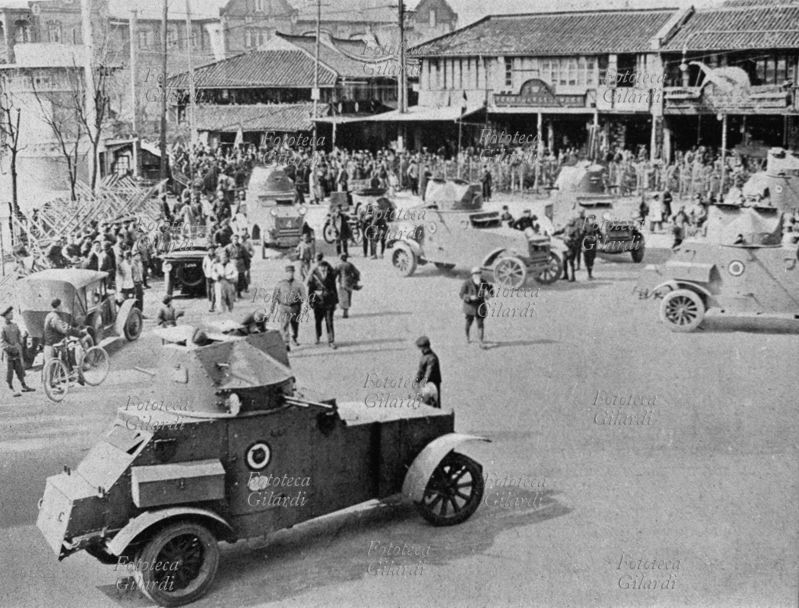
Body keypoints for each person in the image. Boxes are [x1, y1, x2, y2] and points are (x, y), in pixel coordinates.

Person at [43, 298, 85, 385]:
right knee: (69, 354)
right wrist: (79, 333)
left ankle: (56, 383)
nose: (62, 307)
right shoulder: (55, 317)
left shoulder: (49, 315)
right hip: (54, 343)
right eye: (61, 305)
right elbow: (63, 329)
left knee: (51, 367)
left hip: (48, 343)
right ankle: (71, 375)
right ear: (58, 306)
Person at [306, 253, 338, 349]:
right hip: (318, 302)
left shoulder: (330, 275)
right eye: (322, 268)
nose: (324, 269)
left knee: (329, 321)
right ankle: (318, 336)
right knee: (318, 321)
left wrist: (336, 301)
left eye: (325, 268)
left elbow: (334, 288)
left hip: (329, 302)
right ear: (319, 268)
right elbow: (310, 290)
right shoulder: (314, 276)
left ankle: (331, 340)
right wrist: (310, 301)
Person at [270, 265, 306, 349]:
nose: (290, 274)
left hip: (295, 307)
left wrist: (299, 303)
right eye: (289, 272)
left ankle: (294, 338)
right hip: (284, 307)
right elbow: (275, 296)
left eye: (292, 272)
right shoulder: (280, 284)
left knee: (295, 324)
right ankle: (286, 343)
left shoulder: (298, 284)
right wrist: (272, 307)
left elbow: (303, 295)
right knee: (284, 325)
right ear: (285, 273)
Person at [1, 307, 34, 396]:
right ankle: (10, 388)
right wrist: (11, 348)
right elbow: (2, 342)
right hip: (8, 354)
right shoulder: (2, 328)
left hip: (17, 352)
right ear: (5, 316)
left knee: (20, 370)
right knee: (9, 372)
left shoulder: (15, 325)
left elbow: (19, 336)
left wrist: (23, 338)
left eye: (12, 313)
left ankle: (24, 385)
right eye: (10, 313)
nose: (12, 314)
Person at [459, 267, 494, 348]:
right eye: (475, 273)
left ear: (480, 274)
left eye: (479, 273)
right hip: (470, 307)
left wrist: (489, 295)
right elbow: (461, 294)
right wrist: (470, 297)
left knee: (480, 324)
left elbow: (491, 290)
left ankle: (481, 342)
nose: (477, 275)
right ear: (472, 274)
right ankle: (467, 336)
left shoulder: (484, 282)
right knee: (469, 323)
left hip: (480, 306)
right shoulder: (467, 283)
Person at [414, 336, 441, 408]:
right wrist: (416, 380)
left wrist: (423, 382)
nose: (420, 349)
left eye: (420, 347)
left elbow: (429, 372)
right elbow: (420, 370)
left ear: (425, 347)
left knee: (433, 404)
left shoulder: (432, 358)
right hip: (425, 384)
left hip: (432, 384)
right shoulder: (425, 356)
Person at [335, 253, 361, 319]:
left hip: (342, 283)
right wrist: (355, 281)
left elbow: (334, 274)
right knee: (348, 296)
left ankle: (345, 311)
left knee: (343, 297)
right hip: (350, 283)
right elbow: (357, 272)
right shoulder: (350, 264)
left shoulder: (338, 265)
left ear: (340, 258)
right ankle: (346, 311)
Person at [581, 216, 600, 280]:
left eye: (593, 219)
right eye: (590, 219)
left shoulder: (596, 226)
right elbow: (582, 235)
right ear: (588, 220)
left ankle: (590, 274)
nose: (592, 220)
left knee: (592, 259)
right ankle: (588, 274)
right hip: (586, 244)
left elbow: (599, 234)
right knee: (586, 259)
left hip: (593, 244)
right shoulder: (585, 226)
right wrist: (582, 245)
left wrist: (598, 238)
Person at [203, 246, 217, 313]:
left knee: (214, 291)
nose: (211, 251)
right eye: (210, 250)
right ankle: (210, 302)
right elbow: (204, 266)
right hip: (208, 275)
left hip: (215, 276)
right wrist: (205, 273)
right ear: (208, 251)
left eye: (212, 250)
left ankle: (212, 306)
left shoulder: (217, 257)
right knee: (208, 290)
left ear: (214, 251)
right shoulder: (206, 257)